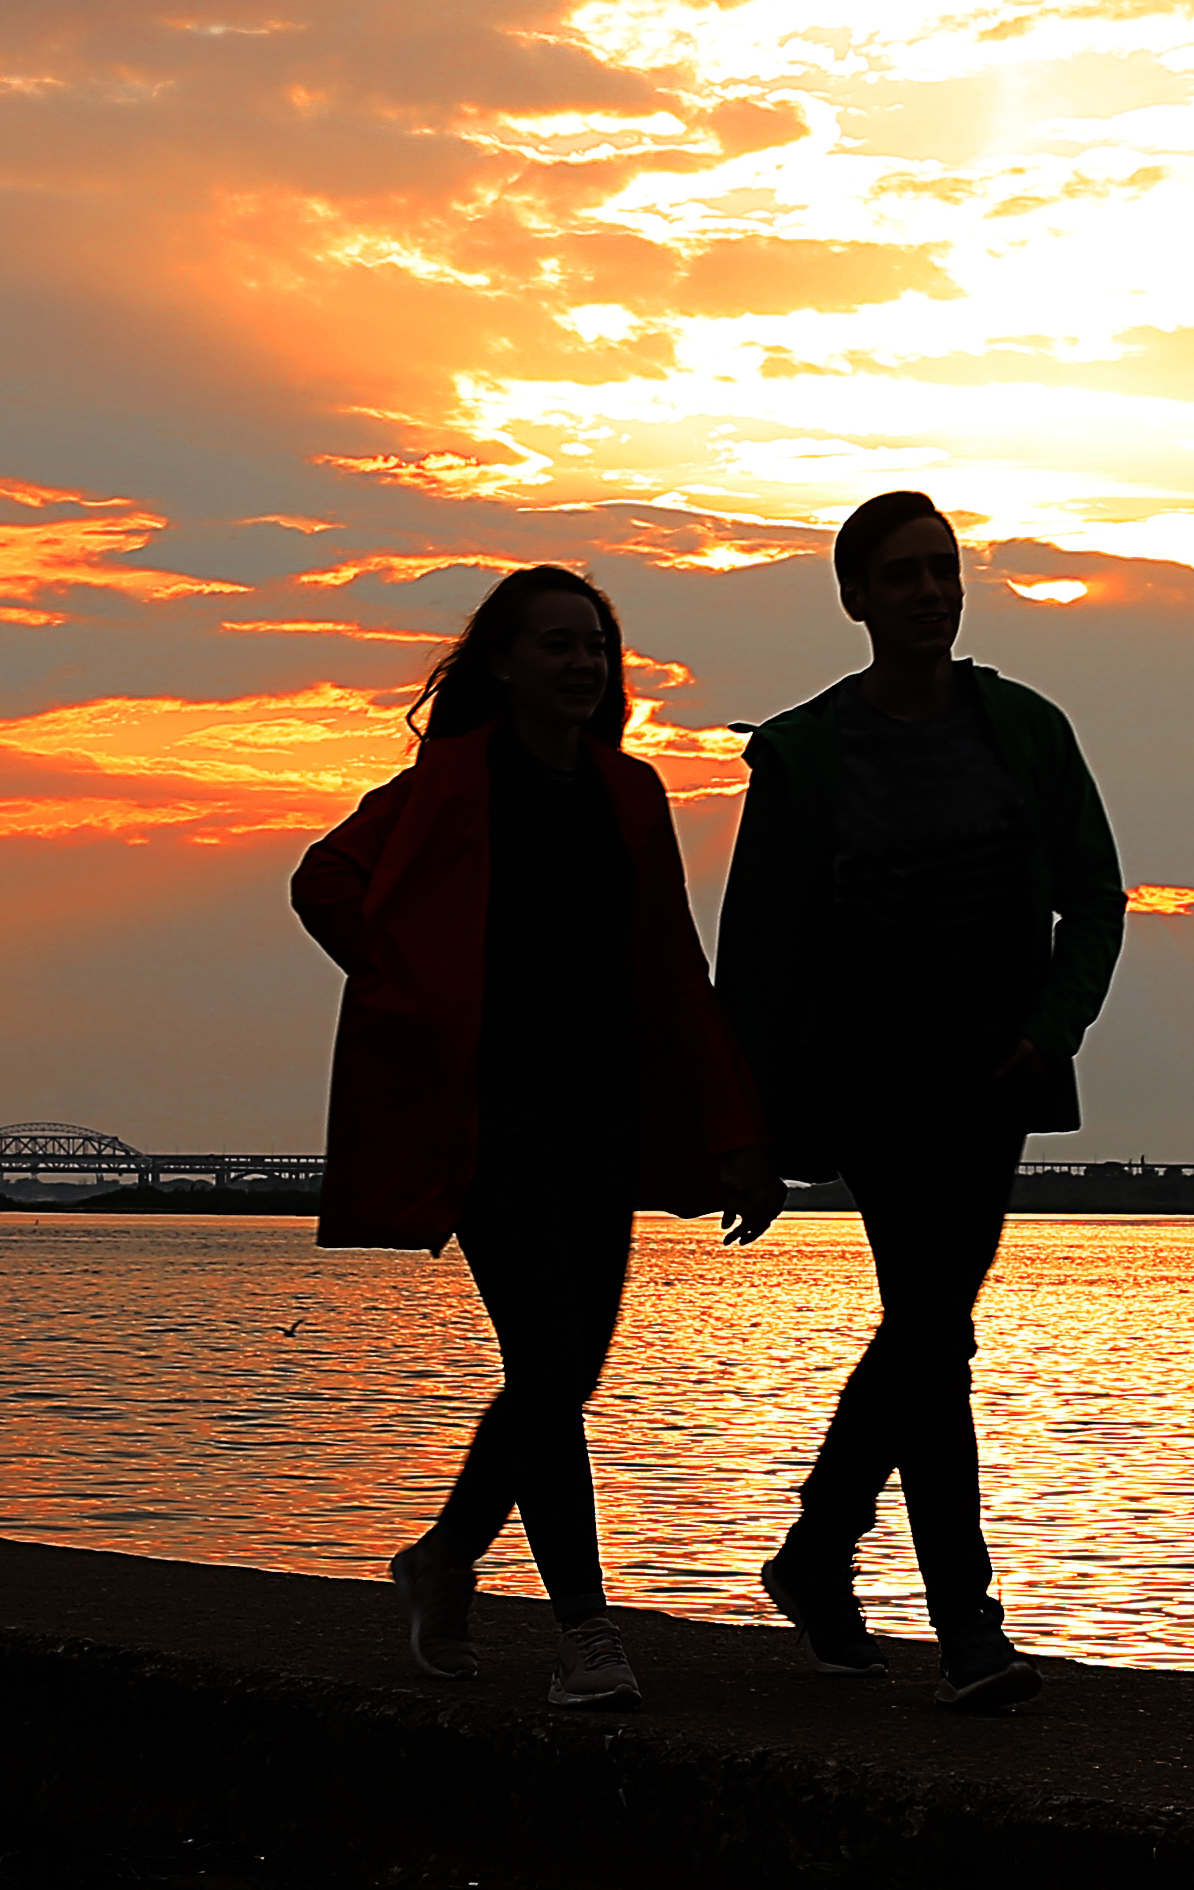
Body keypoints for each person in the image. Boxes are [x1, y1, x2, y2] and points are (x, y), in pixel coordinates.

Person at [293, 563, 782, 1710]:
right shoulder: (447, 784)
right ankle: (584, 1633)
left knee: (561, 1373)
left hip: (600, 1118)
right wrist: (419, 997)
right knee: (549, 1372)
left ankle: (443, 1559)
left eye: (596, 646)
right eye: (557, 643)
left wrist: (734, 1131)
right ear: (502, 662)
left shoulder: (631, 792)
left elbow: (673, 971)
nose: (581, 664)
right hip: (490, 1122)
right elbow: (325, 884)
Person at [714, 492, 1126, 1713]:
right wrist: (746, 1128)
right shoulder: (801, 754)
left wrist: (1051, 1024)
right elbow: (757, 952)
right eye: (900, 574)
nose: (928, 591)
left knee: (929, 1325)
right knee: (934, 1328)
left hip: (989, 1081)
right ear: (854, 596)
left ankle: (816, 1551)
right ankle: (965, 1628)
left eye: (942, 570)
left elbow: (1096, 898)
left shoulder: (1025, 728)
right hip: (868, 1080)